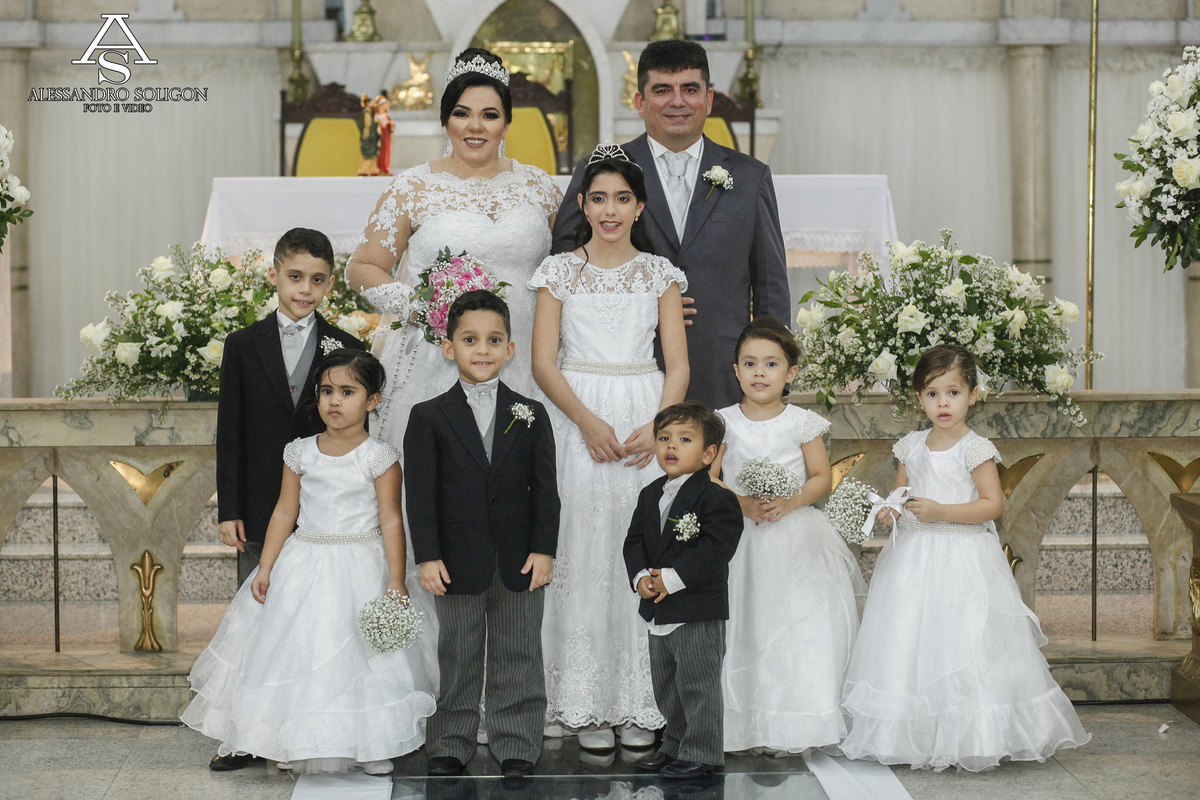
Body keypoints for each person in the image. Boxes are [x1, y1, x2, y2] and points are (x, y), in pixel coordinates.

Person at [184, 350, 436, 775]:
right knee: (297, 651)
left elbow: (392, 518)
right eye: (326, 391)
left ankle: (372, 743)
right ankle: (289, 740)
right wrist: (265, 567)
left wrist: (396, 579)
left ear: (372, 401)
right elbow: (285, 512)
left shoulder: (380, 456)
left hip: (361, 564)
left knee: (365, 657)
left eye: (347, 392)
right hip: (305, 560)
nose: (334, 401)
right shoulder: (299, 452)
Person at [840, 344, 1090, 771]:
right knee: (909, 639)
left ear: (972, 395)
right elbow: (903, 490)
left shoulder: (975, 449)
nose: (943, 403)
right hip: (914, 558)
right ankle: (914, 734)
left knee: (964, 639)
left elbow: (992, 505)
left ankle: (976, 733)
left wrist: (941, 512)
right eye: (932, 393)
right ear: (919, 397)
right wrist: (890, 508)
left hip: (964, 555)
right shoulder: (910, 445)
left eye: (952, 393)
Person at [530, 142, 689, 751]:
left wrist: (658, 424)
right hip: (577, 417)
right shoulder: (559, 272)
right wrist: (587, 422)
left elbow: (676, 363)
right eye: (598, 198)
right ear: (582, 203)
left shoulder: (660, 274)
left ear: (640, 205)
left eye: (623, 198)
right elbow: (545, 363)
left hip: (644, 416)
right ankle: (581, 701)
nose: (610, 209)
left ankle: (635, 698)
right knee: (580, 549)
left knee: (638, 543)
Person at [551, 40, 789, 410]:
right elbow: (564, 262)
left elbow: (770, 283)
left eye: (690, 89)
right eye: (662, 90)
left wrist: (771, 374)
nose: (677, 101)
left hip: (722, 368)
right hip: (623, 370)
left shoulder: (749, 176)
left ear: (708, 99)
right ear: (640, 102)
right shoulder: (601, 170)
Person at [348, 47, 562, 448]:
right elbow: (362, 267)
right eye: (462, 113)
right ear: (445, 120)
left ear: (507, 122)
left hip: (526, 355)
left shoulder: (541, 187)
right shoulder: (413, 187)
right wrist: (425, 307)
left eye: (490, 115)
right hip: (438, 356)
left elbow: (576, 265)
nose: (474, 126)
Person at [209, 227, 365, 771]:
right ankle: (246, 734)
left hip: (325, 506)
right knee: (257, 616)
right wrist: (229, 507)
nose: (305, 290)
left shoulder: (347, 347)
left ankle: (311, 728)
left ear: (330, 285)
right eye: (295, 277)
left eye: (318, 280)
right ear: (273, 273)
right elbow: (231, 432)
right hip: (259, 502)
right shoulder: (242, 345)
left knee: (319, 624)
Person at [404, 290, 560, 779]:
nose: (483, 349)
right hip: (455, 560)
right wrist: (427, 557)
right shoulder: (427, 416)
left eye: (494, 340)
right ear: (449, 347)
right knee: (459, 652)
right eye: (470, 340)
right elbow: (420, 496)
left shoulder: (531, 414)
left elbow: (546, 491)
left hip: (519, 560)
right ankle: (452, 739)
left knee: (519, 651)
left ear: (510, 349)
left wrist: (543, 550)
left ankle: (517, 742)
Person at [710, 316, 866, 754]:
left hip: (794, 534)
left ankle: (796, 721)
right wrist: (741, 503)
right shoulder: (722, 421)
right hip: (740, 538)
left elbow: (820, 477)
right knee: (745, 621)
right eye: (750, 363)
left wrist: (791, 500)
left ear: (791, 373)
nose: (760, 373)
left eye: (771, 364)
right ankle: (742, 723)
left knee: (797, 622)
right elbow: (710, 477)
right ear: (736, 370)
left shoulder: (803, 422)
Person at [622, 401, 743, 779]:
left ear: (709, 453)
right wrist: (641, 576)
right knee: (667, 684)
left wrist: (670, 579)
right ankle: (674, 743)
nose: (671, 446)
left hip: (695, 607)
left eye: (684, 439)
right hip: (657, 609)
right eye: (664, 438)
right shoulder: (649, 493)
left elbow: (716, 549)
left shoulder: (716, 496)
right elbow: (635, 540)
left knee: (697, 685)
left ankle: (702, 752)